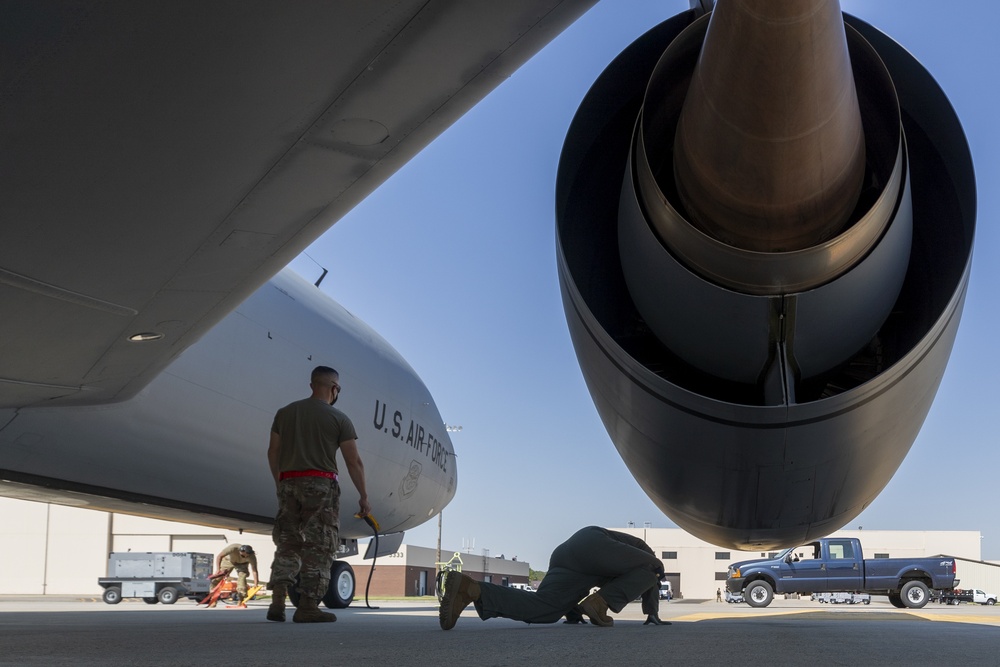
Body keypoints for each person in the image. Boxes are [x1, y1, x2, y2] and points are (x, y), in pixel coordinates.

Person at [266, 366, 371, 623]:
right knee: (319, 545)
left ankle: (278, 602)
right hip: (321, 485)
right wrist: (364, 496)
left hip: (288, 482)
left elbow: (273, 452)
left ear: (312, 384)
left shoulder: (285, 413)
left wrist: (280, 482)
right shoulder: (339, 419)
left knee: (287, 544)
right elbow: (353, 461)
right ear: (334, 388)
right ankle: (308, 606)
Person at [439, 526, 670, 630]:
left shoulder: (622, 569)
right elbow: (652, 571)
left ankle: (472, 589)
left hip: (566, 554)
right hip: (593, 543)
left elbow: (586, 580)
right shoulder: (642, 554)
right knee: (655, 568)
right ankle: (601, 604)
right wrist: (652, 613)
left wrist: (572, 610)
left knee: (545, 609)